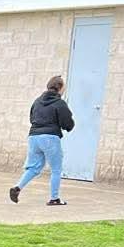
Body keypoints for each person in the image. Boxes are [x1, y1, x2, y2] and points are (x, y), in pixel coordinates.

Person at [10, 74, 75, 207]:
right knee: (56, 169)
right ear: (60, 88)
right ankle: (54, 198)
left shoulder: (37, 101)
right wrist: (68, 127)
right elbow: (67, 123)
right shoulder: (59, 103)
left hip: (33, 137)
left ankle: (17, 187)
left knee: (33, 168)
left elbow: (32, 118)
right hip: (50, 138)